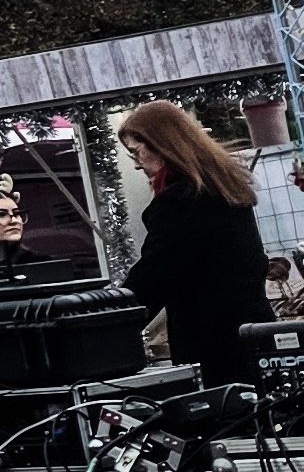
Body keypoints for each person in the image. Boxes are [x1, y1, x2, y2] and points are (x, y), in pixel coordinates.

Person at [113, 104, 271, 381]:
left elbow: (154, 275)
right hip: (255, 332)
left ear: (162, 146)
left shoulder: (178, 201)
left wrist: (110, 322)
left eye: (137, 152)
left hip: (216, 345)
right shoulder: (223, 188)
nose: (138, 163)